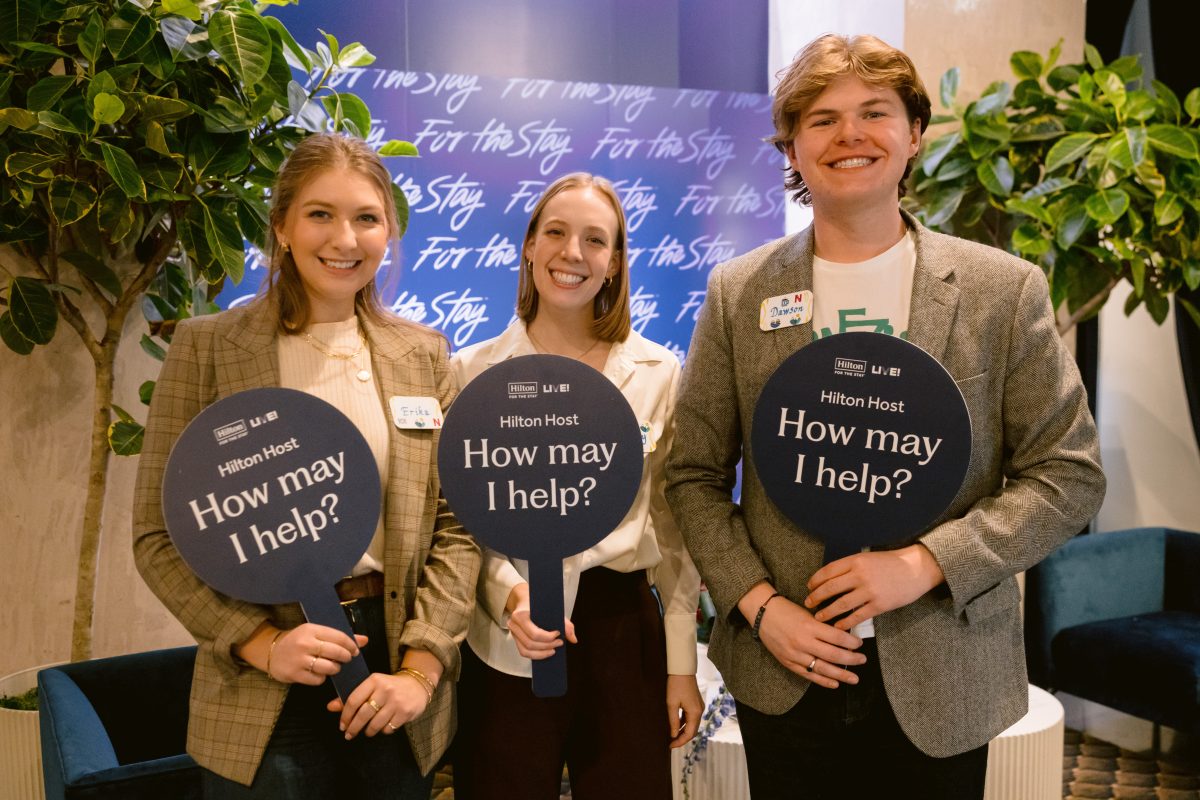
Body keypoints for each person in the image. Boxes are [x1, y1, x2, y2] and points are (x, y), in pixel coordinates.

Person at [664, 34, 1106, 800]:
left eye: (874, 112)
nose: (850, 136)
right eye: (823, 119)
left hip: (943, 672)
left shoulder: (1003, 290)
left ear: (914, 137)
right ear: (793, 149)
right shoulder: (738, 293)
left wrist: (924, 564)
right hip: (785, 670)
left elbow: (1068, 476)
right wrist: (760, 607)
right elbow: (693, 474)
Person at [132, 132, 481, 798]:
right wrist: (258, 642)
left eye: (366, 219)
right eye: (320, 214)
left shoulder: (425, 355)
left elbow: (455, 526)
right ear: (283, 226)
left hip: (392, 681)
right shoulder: (207, 348)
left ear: (388, 235)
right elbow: (157, 536)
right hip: (262, 689)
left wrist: (421, 669)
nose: (344, 238)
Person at [450, 172, 703, 800]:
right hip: (508, 635)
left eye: (596, 240)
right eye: (556, 233)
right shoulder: (470, 371)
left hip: (621, 631)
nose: (573, 254)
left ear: (615, 263)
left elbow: (675, 532)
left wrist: (681, 667)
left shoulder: (659, 373)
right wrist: (509, 596)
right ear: (529, 245)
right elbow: (457, 521)